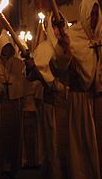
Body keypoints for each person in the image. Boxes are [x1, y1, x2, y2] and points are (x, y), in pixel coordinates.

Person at [53, 0, 102, 179]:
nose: (94, 17)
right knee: (82, 149)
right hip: (80, 102)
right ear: (84, 13)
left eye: (97, 13)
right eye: (91, 13)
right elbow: (58, 68)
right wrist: (64, 51)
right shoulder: (72, 37)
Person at [26, 13, 69, 179]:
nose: (58, 30)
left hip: (69, 103)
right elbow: (31, 76)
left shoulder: (70, 45)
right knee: (53, 144)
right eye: (55, 26)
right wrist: (31, 68)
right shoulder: (43, 48)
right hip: (51, 103)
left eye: (60, 25)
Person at [0, 30, 27, 178]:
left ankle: (12, 167)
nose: (7, 50)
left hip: (14, 105)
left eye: (9, 47)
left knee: (13, 139)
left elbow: (24, 81)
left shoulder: (18, 63)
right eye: (5, 47)